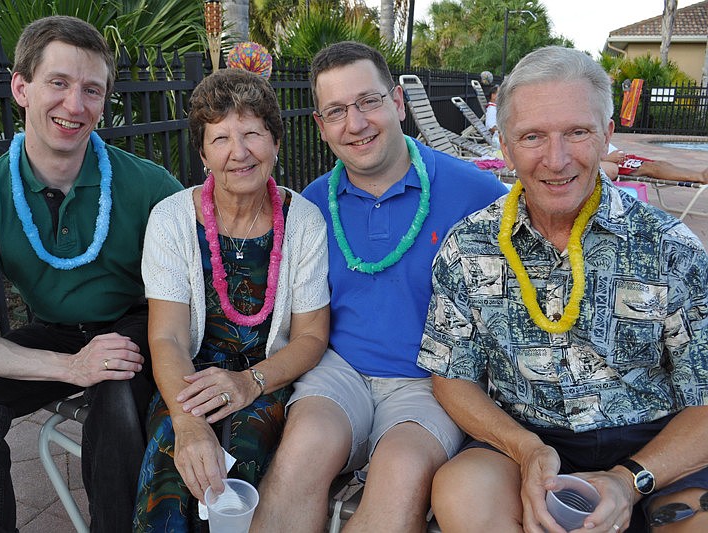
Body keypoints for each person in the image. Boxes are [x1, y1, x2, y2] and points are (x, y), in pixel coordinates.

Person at [419, 45, 708, 533]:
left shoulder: (671, 247)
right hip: (523, 441)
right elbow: (451, 376)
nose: (557, 159)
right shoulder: (468, 245)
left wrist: (629, 479)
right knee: (461, 491)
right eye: (533, 136)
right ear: (506, 148)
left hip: (653, 449)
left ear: (607, 137)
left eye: (577, 132)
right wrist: (526, 449)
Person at [0, 16, 183, 532]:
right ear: (21, 87)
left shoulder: (150, 187)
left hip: (135, 325)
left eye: (91, 90)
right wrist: (69, 367)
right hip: (56, 333)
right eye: (58, 83)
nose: (75, 105)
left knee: (117, 387)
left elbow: (196, 287)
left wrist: (101, 363)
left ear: (104, 102)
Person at [252, 41, 507, 532]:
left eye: (368, 101)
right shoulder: (308, 207)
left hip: (432, 383)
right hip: (338, 371)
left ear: (397, 102)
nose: (356, 123)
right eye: (337, 111)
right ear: (320, 125)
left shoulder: (476, 193)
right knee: (301, 451)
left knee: (402, 471)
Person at [132, 67, 330, 532]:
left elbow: (311, 336)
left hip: (268, 372)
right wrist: (187, 420)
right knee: (173, 448)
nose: (238, 153)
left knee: (245, 455)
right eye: (220, 138)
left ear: (275, 142)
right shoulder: (171, 219)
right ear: (202, 152)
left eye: (252, 134)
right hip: (190, 372)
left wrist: (250, 382)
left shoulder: (304, 222)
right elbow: (166, 335)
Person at [601, 144, 708, 184]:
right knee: (651, 168)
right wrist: (607, 158)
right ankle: (700, 177)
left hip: (619, 156)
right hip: (613, 161)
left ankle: (698, 176)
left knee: (659, 164)